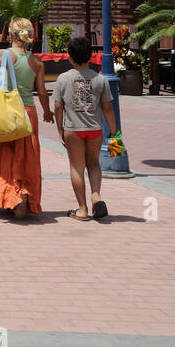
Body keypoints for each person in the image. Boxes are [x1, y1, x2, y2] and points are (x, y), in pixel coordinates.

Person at [0, 18, 52, 220]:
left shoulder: (3, 54)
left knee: (6, 154)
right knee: (26, 157)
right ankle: (24, 194)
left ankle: (12, 197)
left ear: (10, 35)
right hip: (28, 113)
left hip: (6, 111)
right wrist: (47, 112)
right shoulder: (36, 61)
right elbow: (42, 92)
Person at [52, 36, 119, 221]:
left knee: (76, 167)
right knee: (94, 163)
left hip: (73, 129)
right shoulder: (101, 80)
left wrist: (60, 130)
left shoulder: (63, 79)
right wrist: (114, 132)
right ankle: (96, 195)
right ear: (90, 56)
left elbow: (58, 107)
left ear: (70, 58)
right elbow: (107, 108)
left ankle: (82, 209)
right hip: (95, 129)